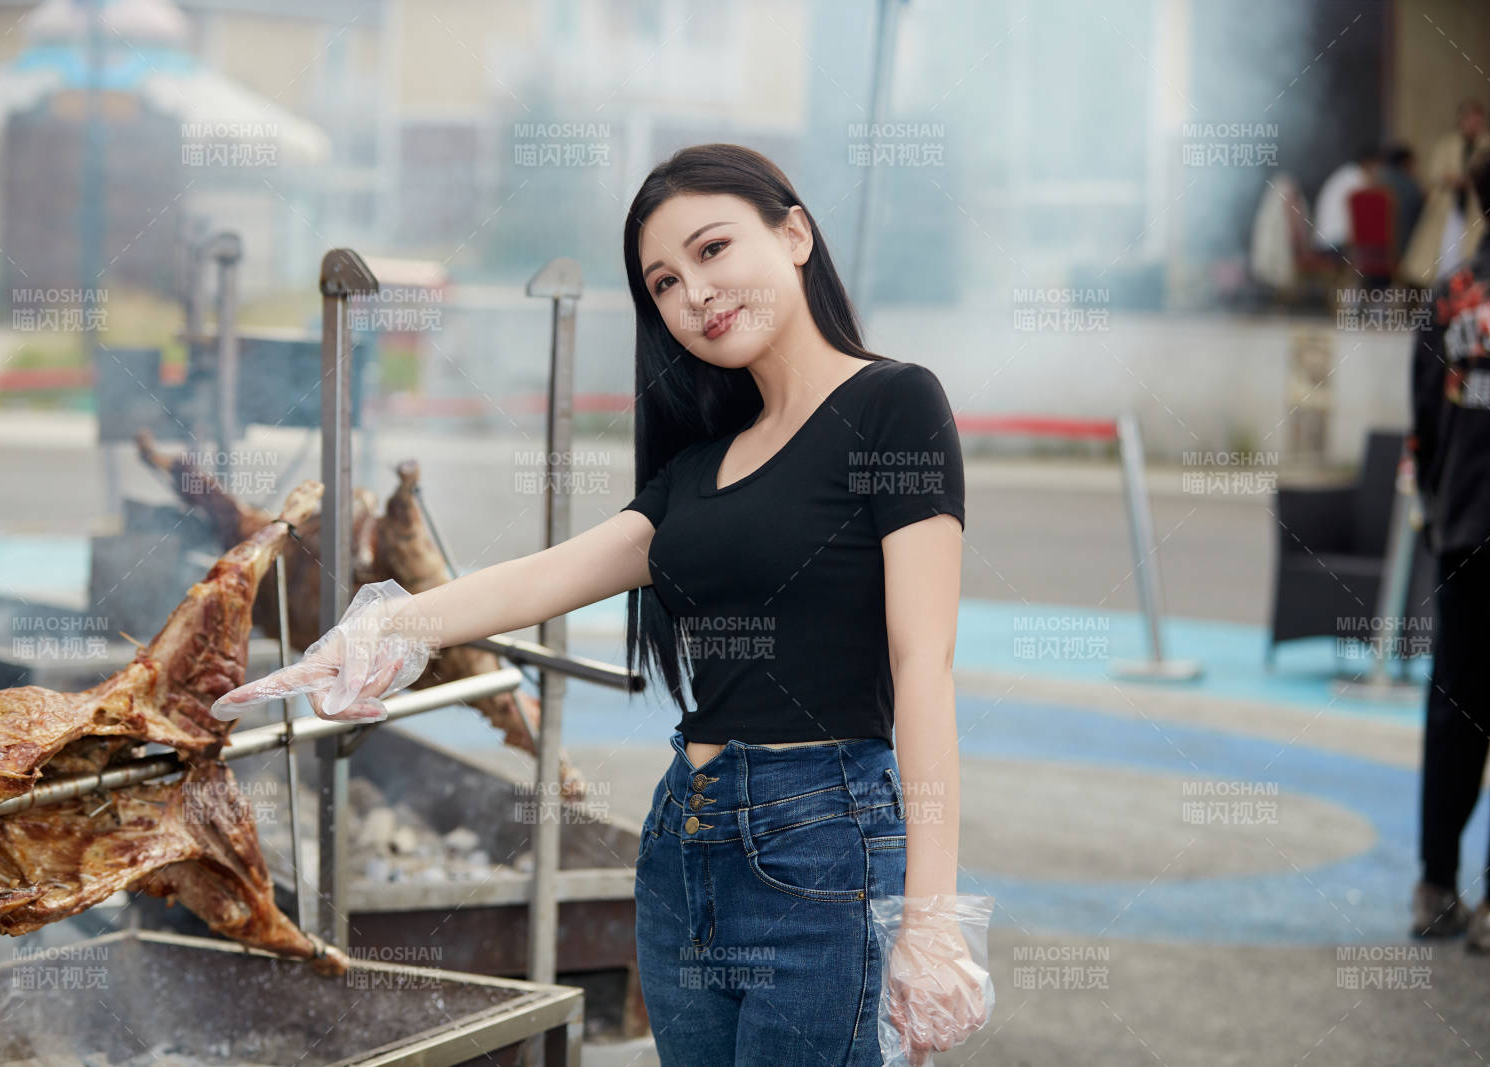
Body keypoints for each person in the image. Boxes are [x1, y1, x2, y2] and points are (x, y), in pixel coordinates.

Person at [213, 142, 990, 1063]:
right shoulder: (700, 466)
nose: (692, 295)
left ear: (794, 235)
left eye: (711, 251)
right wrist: (384, 626)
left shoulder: (895, 406)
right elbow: (553, 571)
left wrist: (930, 915)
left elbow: (923, 667)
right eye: (663, 281)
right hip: (681, 844)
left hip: (822, 846)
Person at [1407, 144, 1490, 952]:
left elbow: (1424, 421)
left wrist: (1434, 506)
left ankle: (1435, 885)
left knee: (1454, 712)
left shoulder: (1450, 296)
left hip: (1464, 528)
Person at [1400, 98, 1490, 286]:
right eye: (1470, 119)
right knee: (1446, 252)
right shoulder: (1448, 144)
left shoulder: (1488, 143)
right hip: (1450, 207)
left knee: (1473, 250)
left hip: (1477, 207)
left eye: (1478, 120)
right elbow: (1435, 173)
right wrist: (1455, 179)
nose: (1474, 124)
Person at [1313, 146, 1382, 253]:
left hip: (1327, 241)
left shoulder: (1347, 174)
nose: (1379, 173)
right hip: (1336, 243)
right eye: (1378, 167)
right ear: (1370, 164)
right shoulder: (1357, 179)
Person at [1380, 143, 1425, 263]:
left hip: (1374, 249)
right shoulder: (1408, 184)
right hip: (1401, 246)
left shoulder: (1377, 180)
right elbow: (1420, 212)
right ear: (1406, 162)